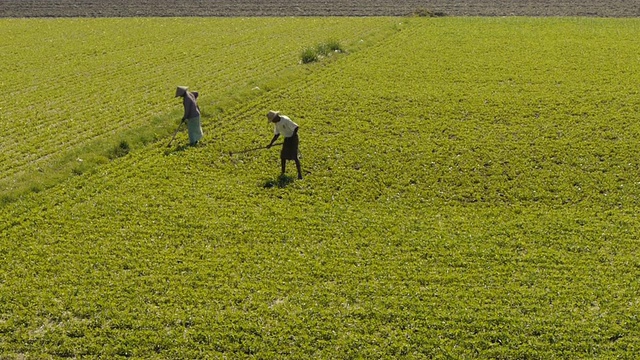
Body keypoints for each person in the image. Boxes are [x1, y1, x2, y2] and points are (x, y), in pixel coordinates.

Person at [266, 110, 302, 179]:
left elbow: (296, 127)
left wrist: (292, 138)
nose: (272, 122)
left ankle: (300, 174)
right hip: (287, 139)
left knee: (294, 156)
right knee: (283, 156)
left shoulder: (285, 120)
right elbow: (277, 134)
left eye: (272, 120)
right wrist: (270, 144)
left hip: (293, 138)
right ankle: (283, 173)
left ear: (276, 117)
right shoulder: (276, 123)